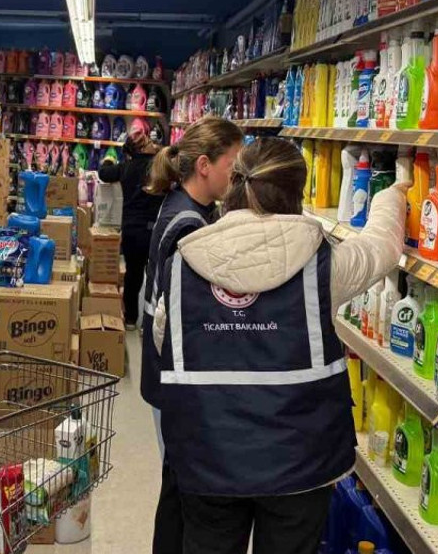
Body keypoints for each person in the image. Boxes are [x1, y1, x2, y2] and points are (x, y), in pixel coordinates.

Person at [153, 137, 407, 554]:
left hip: (207, 456)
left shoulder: (182, 264)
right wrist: (392, 193)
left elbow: (166, 337)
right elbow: (382, 248)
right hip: (300, 463)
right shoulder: (324, 267)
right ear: (297, 194)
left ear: (233, 185)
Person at [138, 117, 244, 554]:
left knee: (176, 487)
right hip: (174, 381)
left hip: (163, 375)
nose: (238, 175)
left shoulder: (186, 207)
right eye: (233, 165)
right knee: (184, 493)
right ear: (204, 165)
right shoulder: (189, 226)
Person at [96, 129, 165, 330]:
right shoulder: (159, 168)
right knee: (156, 276)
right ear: (143, 148)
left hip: (132, 230)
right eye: (149, 141)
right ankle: (151, 323)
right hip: (155, 229)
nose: (152, 143)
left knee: (133, 275)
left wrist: (108, 160)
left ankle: (131, 320)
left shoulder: (126, 167)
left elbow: (104, 173)